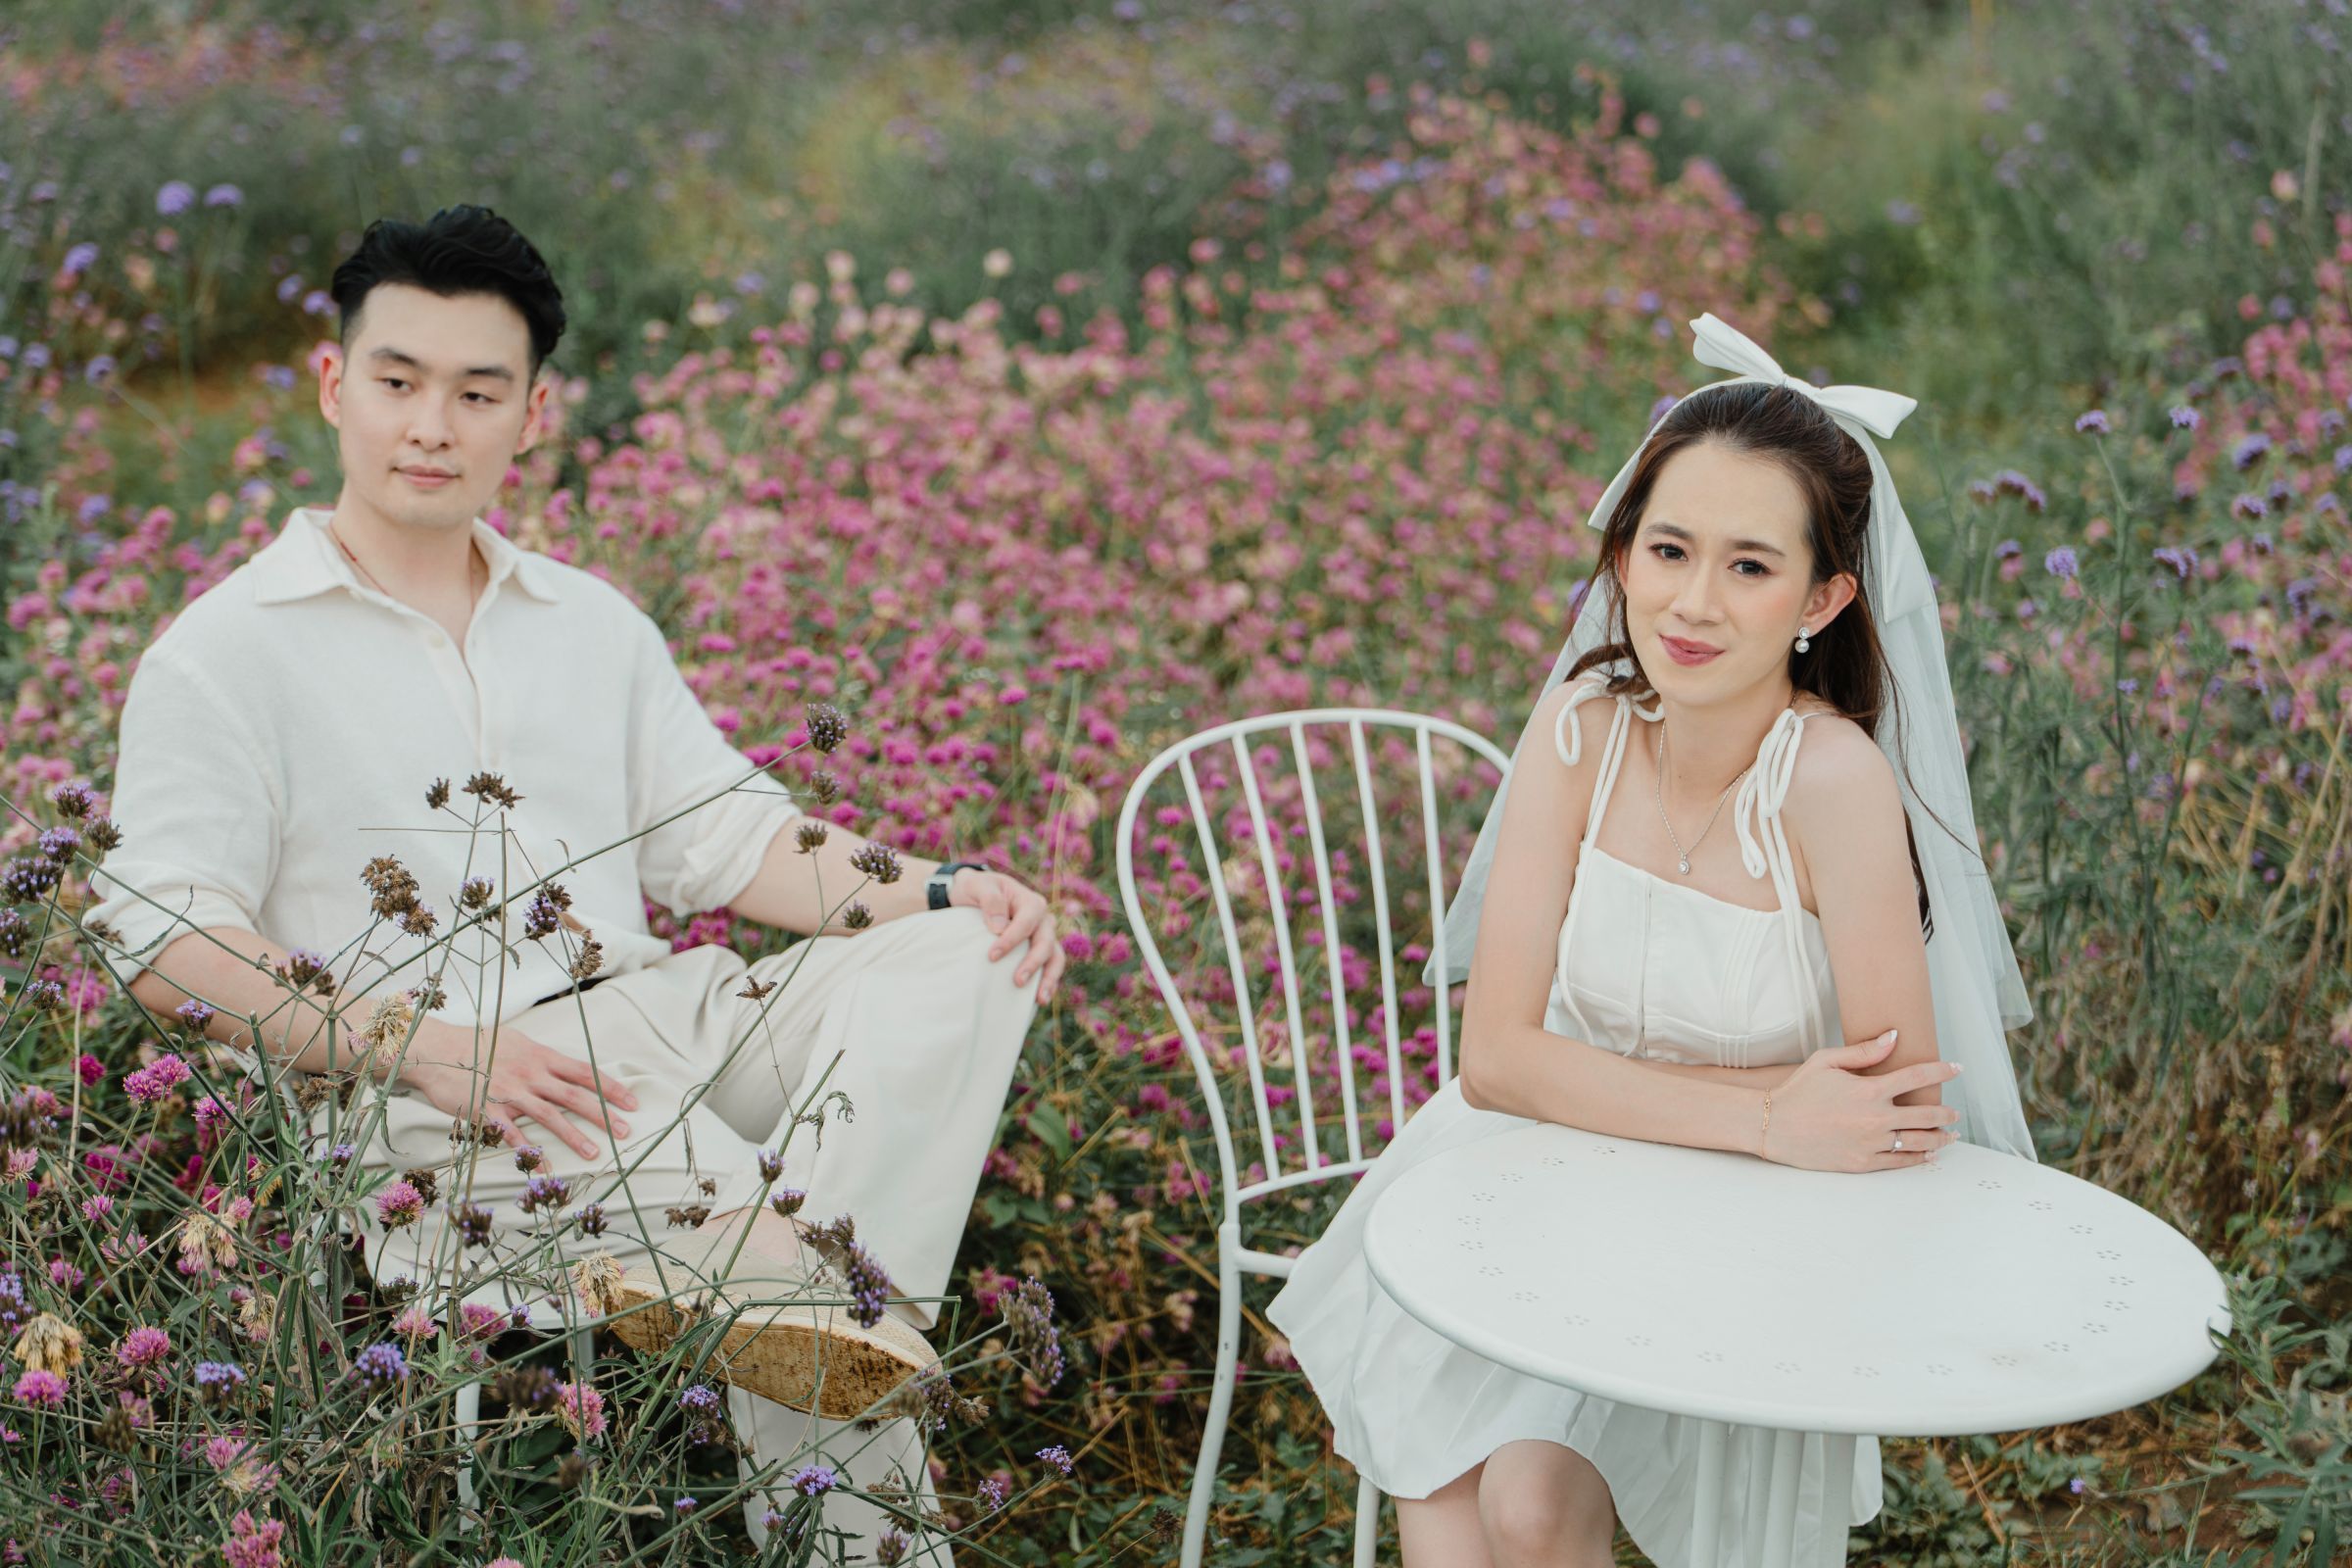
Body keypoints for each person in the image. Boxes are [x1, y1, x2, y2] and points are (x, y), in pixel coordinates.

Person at [83, 204, 1064, 1560]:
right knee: (772, 1256)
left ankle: (806, 1296)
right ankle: (813, 1332)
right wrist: (421, 1045)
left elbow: (737, 844)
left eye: (477, 393)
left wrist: (953, 888)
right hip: (447, 1094)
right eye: (397, 381)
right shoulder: (223, 653)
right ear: (332, 385)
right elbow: (157, 941)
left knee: (967, 956)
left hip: (667, 1021)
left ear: (533, 414)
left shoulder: (589, 622)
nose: (432, 426)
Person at [1263, 314, 2037, 1568]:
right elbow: (1495, 1061)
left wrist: (1728, 1120)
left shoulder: (1830, 781)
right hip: (1534, 1176)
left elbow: (1894, 1099)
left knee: (1530, 1506)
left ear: (1823, 598)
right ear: (1622, 554)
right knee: (1455, 1491)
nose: (1692, 602)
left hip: (1749, 1230)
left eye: (1750, 566)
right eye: (1669, 549)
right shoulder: (1582, 726)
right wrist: (1770, 1108)